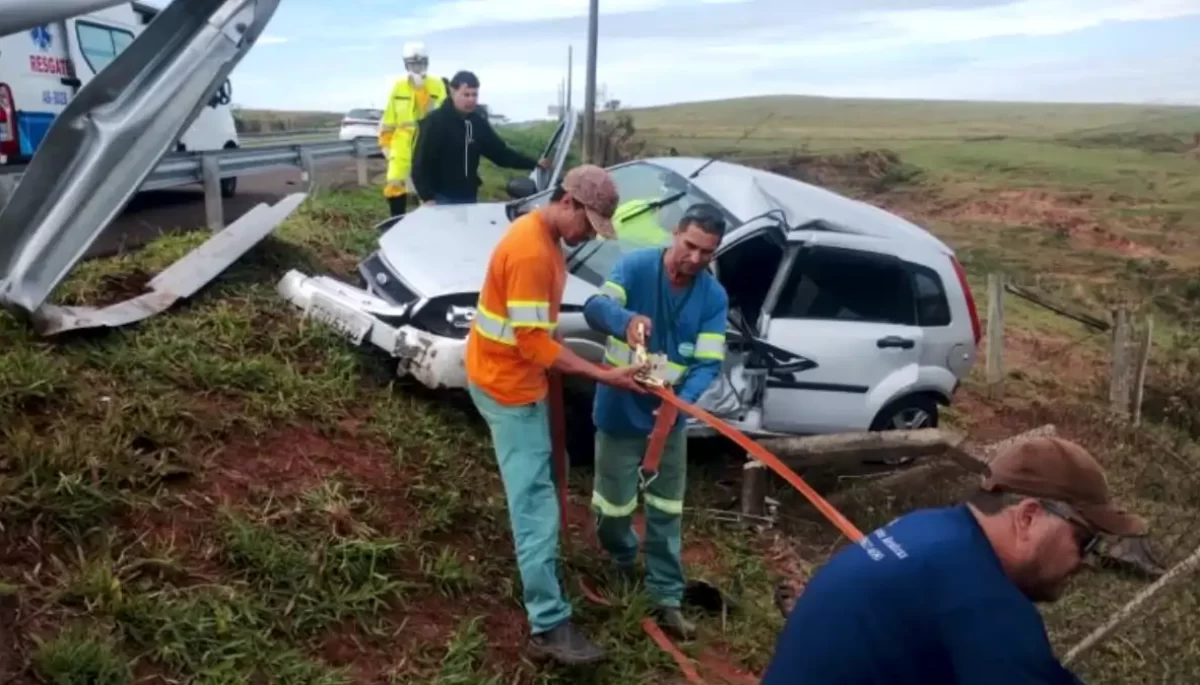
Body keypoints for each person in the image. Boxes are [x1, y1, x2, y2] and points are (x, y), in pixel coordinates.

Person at [761, 435, 1148, 685]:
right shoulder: (981, 600)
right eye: (1085, 540)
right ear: (1028, 516)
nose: (1086, 561)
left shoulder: (929, 531)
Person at [465, 164, 646, 666]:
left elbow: (537, 327)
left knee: (540, 481)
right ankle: (548, 625)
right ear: (567, 203)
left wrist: (557, 347)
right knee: (535, 504)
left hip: (507, 374)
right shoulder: (530, 252)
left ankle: (544, 579)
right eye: (588, 223)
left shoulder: (545, 240)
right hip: (508, 387)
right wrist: (604, 375)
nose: (589, 234)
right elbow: (532, 344)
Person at [580, 203, 731, 640]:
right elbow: (595, 307)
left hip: (670, 423)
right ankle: (623, 563)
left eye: (708, 252)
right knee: (613, 508)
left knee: (667, 510)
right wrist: (624, 321)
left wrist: (677, 404)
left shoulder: (713, 296)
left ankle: (666, 595)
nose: (697, 259)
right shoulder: (635, 267)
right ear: (675, 234)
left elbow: (706, 362)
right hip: (618, 413)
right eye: (691, 246)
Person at [411, 70, 549, 206]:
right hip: (440, 197)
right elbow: (419, 164)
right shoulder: (434, 122)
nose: (471, 99)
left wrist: (534, 163)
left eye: (474, 95)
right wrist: (427, 197)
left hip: (468, 195)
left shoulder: (478, 123)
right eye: (466, 94)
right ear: (452, 92)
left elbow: (500, 153)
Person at [377, 41, 447, 219]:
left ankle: (428, 224)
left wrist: (420, 89)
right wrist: (385, 143)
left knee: (426, 186)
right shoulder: (398, 86)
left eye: (419, 63)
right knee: (395, 183)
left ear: (426, 63)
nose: (416, 68)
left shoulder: (436, 85)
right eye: (412, 64)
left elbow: (440, 114)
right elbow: (389, 118)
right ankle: (396, 222)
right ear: (406, 64)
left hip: (427, 142)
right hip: (401, 146)